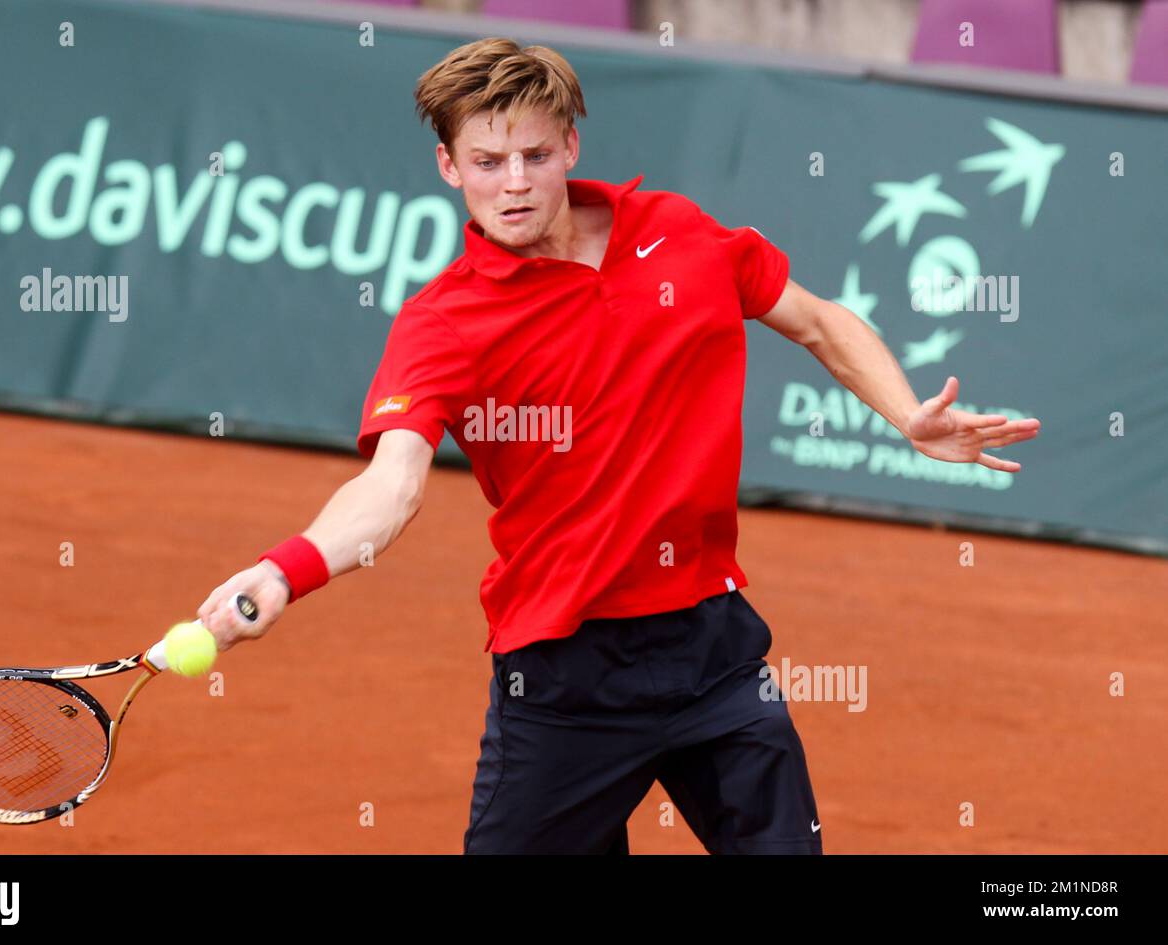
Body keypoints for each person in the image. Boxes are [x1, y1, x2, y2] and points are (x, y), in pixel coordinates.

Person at [196, 37, 1041, 854]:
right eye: (488, 163)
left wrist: (906, 414)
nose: (515, 184)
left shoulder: (678, 234)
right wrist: (284, 569)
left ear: (571, 144)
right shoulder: (442, 323)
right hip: (565, 673)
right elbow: (393, 485)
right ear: (449, 168)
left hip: (712, 652)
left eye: (534, 154)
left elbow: (817, 320)